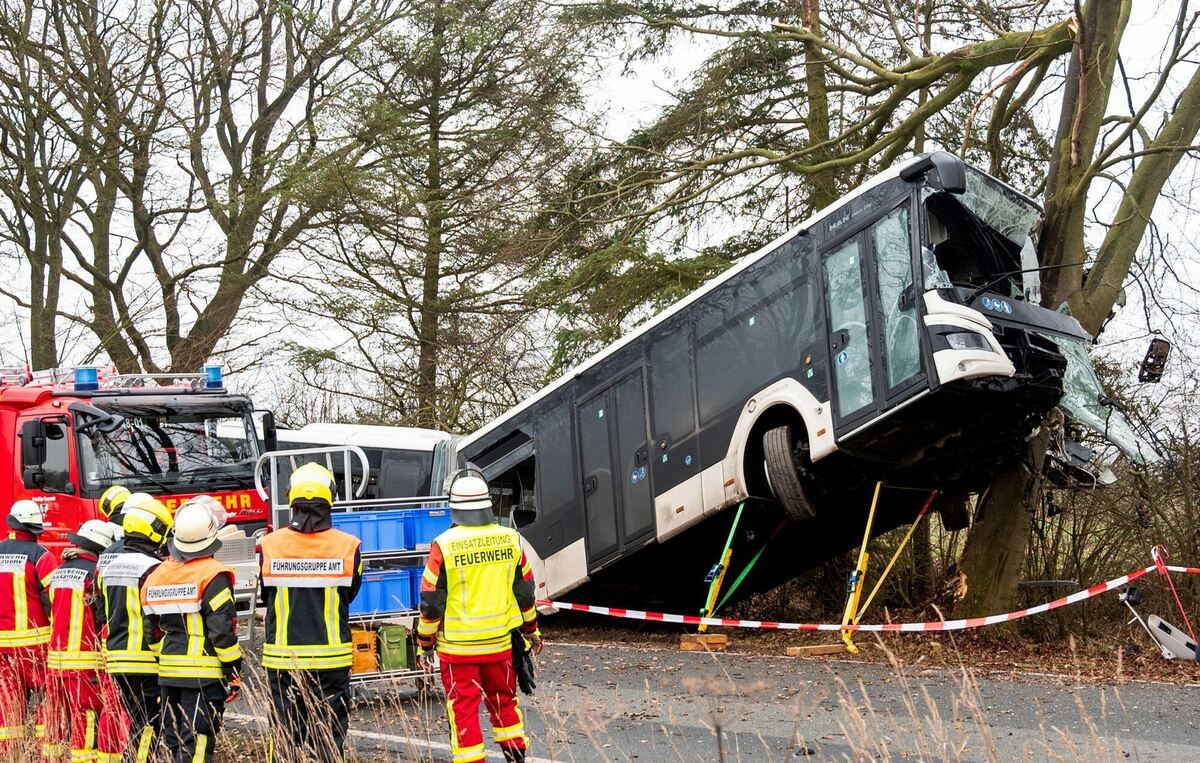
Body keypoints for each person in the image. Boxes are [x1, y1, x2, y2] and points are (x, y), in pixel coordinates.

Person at [417, 473, 542, 763]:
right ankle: (516, 757)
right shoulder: (510, 539)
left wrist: (425, 643)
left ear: (454, 508)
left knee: (463, 712)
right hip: (499, 647)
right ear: (488, 504)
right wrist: (531, 630)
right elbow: (525, 593)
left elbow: (432, 603)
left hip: (458, 651)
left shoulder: (444, 545)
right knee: (505, 704)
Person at [259, 462, 363, 762]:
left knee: (284, 738)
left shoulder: (269, 545)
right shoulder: (349, 546)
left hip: (282, 659)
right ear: (330, 498)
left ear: (291, 499)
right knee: (328, 740)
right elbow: (349, 594)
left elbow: (268, 595)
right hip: (331, 659)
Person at [141, 498, 241, 763]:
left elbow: (150, 629)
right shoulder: (213, 574)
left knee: (176, 741)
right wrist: (232, 670)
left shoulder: (156, 575)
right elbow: (222, 631)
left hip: (168, 673)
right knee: (198, 738)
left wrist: (162, 659)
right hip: (203, 675)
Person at [101, 492, 174, 763]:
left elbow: (101, 612)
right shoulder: (155, 568)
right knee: (148, 722)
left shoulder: (108, 569)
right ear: (155, 531)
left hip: (117, 658)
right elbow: (157, 620)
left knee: (135, 717)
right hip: (145, 659)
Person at [44, 518, 124, 762]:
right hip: (85, 663)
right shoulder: (95, 573)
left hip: (56, 662)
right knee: (86, 721)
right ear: (101, 548)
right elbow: (103, 617)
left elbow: (51, 611)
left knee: (57, 721)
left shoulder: (58, 571)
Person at [0, 500, 57, 753]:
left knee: (8, 705)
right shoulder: (40, 556)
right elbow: (55, 600)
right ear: (35, 529)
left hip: (3, 648)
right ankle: (44, 753)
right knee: (48, 701)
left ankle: (9, 753)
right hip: (37, 646)